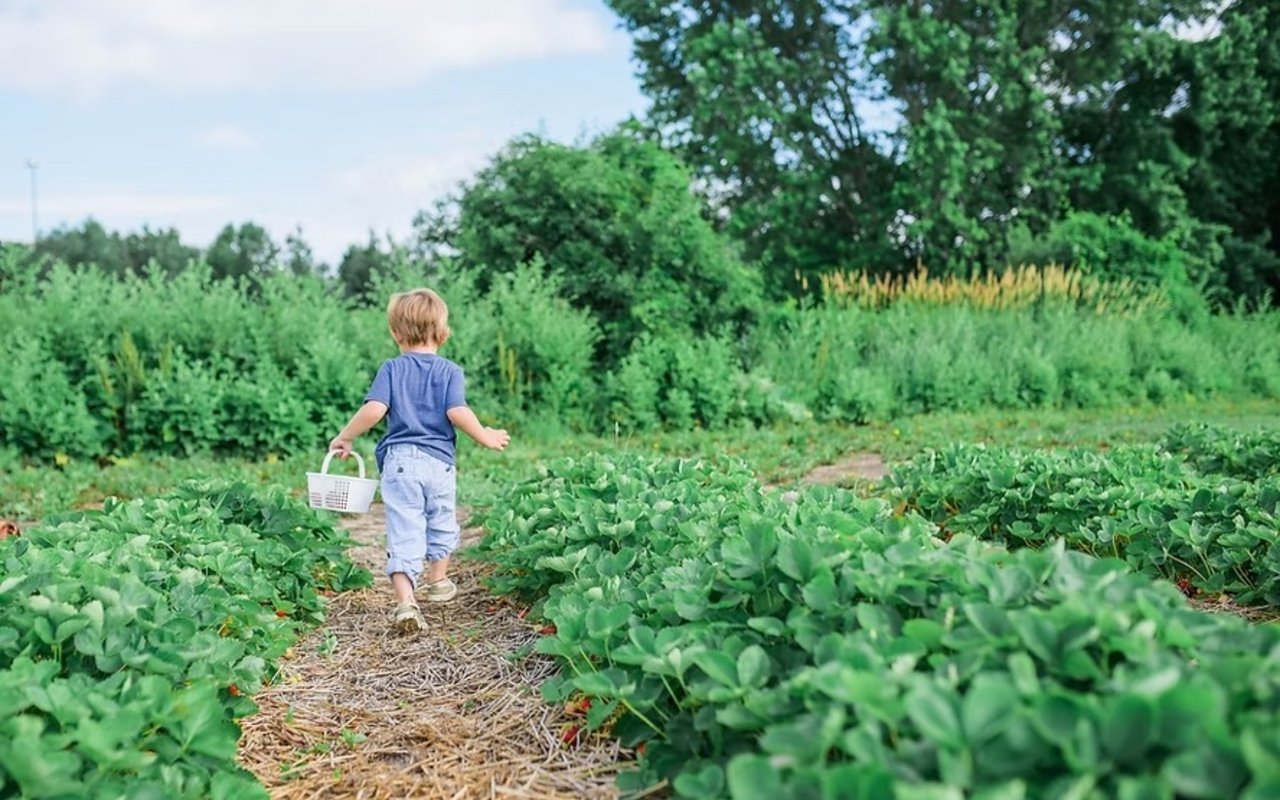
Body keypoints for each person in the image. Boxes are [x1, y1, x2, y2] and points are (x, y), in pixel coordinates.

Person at [329, 288, 510, 633]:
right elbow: (457, 411)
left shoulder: (392, 369)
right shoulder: (450, 371)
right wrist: (485, 435)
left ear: (396, 333)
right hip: (439, 463)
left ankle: (406, 604)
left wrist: (346, 435)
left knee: (404, 529)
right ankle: (438, 580)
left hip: (400, 463)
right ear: (443, 332)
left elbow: (375, 409)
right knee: (442, 520)